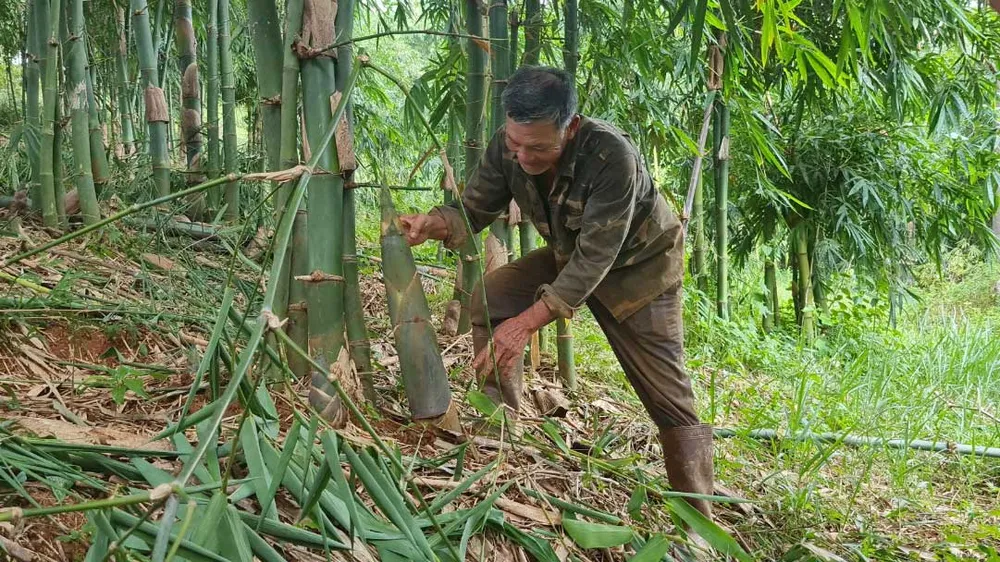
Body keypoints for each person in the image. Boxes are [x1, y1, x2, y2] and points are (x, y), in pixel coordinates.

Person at [399, 65, 715, 520]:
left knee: (668, 397)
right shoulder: (509, 147)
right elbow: (473, 209)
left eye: (538, 147)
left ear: (570, 127)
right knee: (495, 295)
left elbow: (597, 257)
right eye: (515, 144)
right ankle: (498, 425)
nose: (523, 157)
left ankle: (701, 520)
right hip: (571, 254)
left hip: (638, 270)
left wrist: (525, 326)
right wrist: (433, 224)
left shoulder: (612, 157)